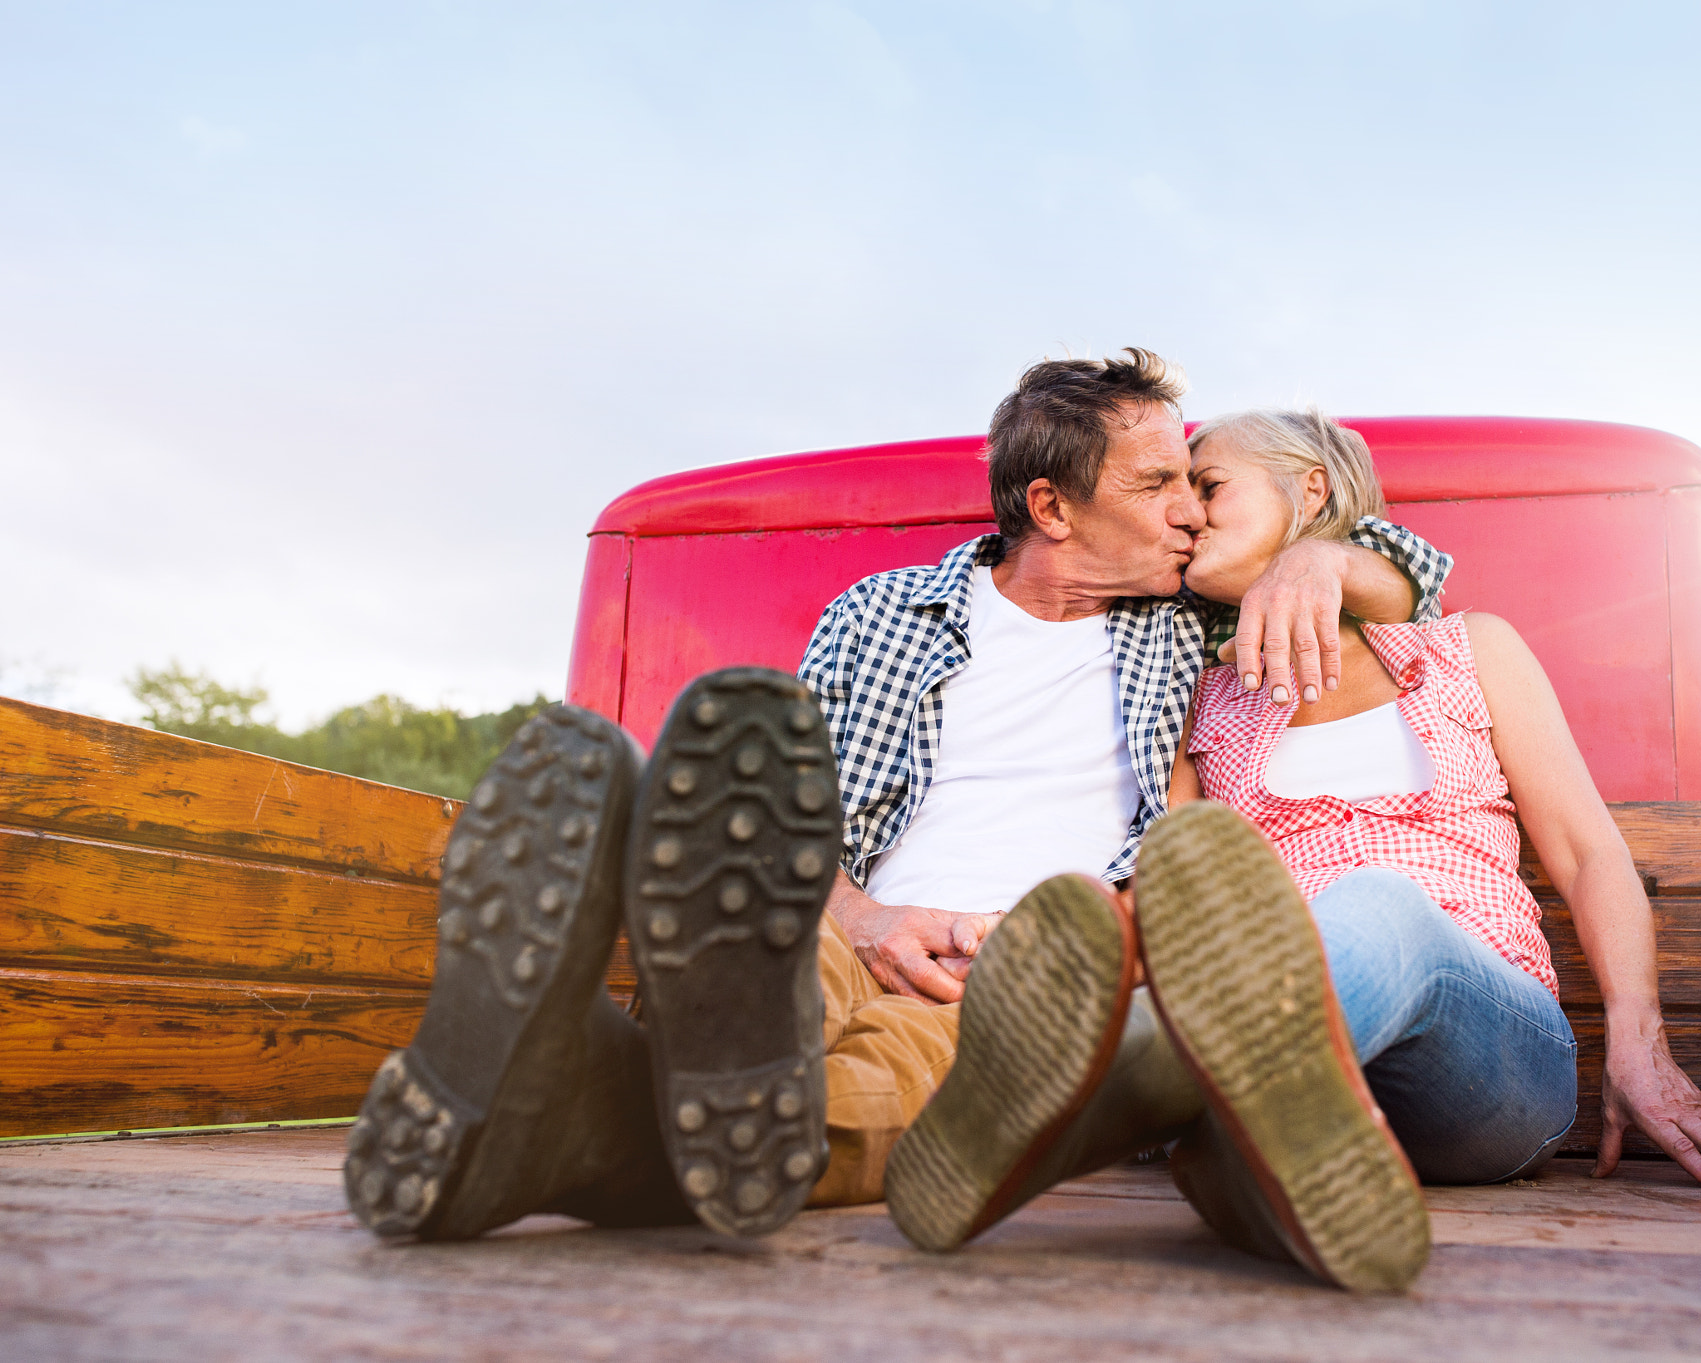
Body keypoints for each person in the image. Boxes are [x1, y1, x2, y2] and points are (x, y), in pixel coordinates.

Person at [344, 350, 1453, 1246]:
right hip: (835, 924)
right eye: (1157, 483)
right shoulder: (881, 614)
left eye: (1191, 483)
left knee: (908, 1074)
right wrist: (864, 922)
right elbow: (776, 826)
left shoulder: (1185, 621)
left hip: (1026, 975)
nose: (1186, 513)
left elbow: (1412, 571)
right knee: (771, 970)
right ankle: (602, 1090)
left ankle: (575, 1089)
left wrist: (1309, 565)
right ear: (1050, 508)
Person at [1166, 409, 1701, 1198]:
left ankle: (1203, 1107)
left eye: (1208, 484)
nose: (1184, 511)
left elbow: (1589, 856)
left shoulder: (1468, 648)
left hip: (1491, 1062)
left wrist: (1638, 1046)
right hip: (1312, 1062)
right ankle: (1286, 1141)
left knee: (1383, 905)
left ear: (1309, 490)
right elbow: (1189, 898)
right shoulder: (1197, 700)